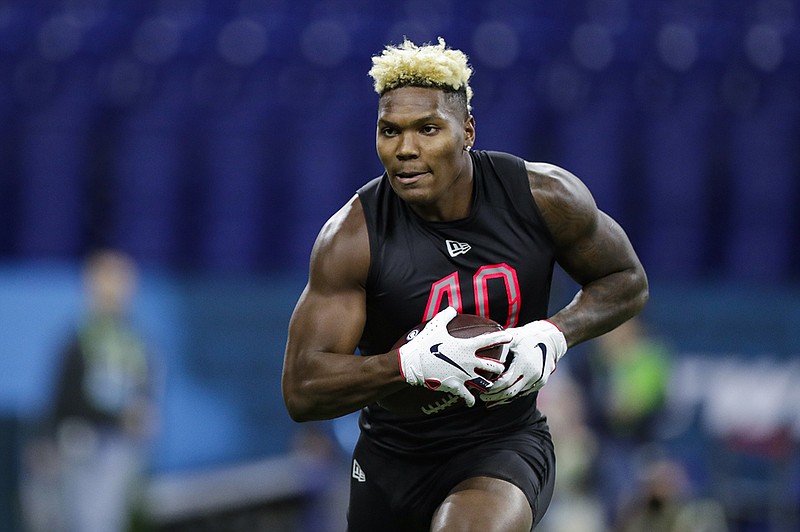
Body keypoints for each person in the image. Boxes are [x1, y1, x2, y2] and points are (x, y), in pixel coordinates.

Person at [282, 38, 648, 532]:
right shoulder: (351, 237)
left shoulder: (542, 197)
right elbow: (302, 390)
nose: (406, 149)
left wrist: (556, 332)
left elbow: (626, 279)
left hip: (504, 442)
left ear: (467, 131)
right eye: (389, 131)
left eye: (427, 129)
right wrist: (406, 365)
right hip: (394, 456)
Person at [46, 250, 156, 532]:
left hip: (119, 451)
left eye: (120, 282)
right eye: (105, 282)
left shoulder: (136, 343)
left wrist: (139, 418)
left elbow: (146, 394)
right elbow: (64, 398)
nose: (113, 291)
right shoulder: (78, 340)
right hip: (82, 447)